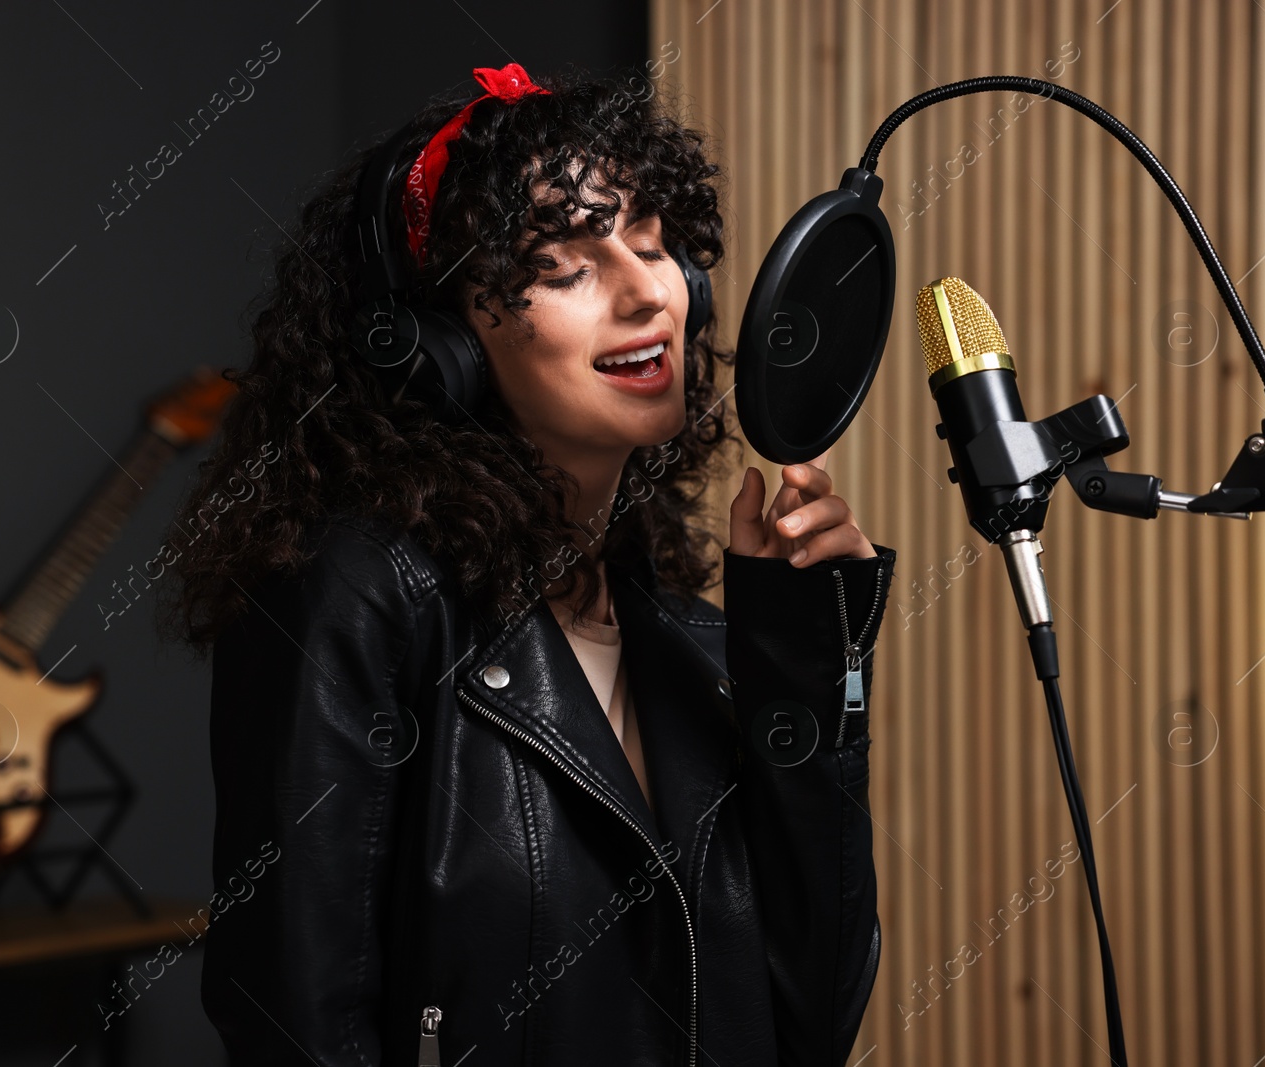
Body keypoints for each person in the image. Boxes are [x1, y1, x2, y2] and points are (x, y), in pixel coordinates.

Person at [160, 59, 898, 1067]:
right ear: (439, 337)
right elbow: (293, 1017)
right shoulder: (356, 593)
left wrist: (805, 669)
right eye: (566, 265)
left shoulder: (684, 637)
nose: (650, 293)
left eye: (655, 244)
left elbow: (809, 1017)